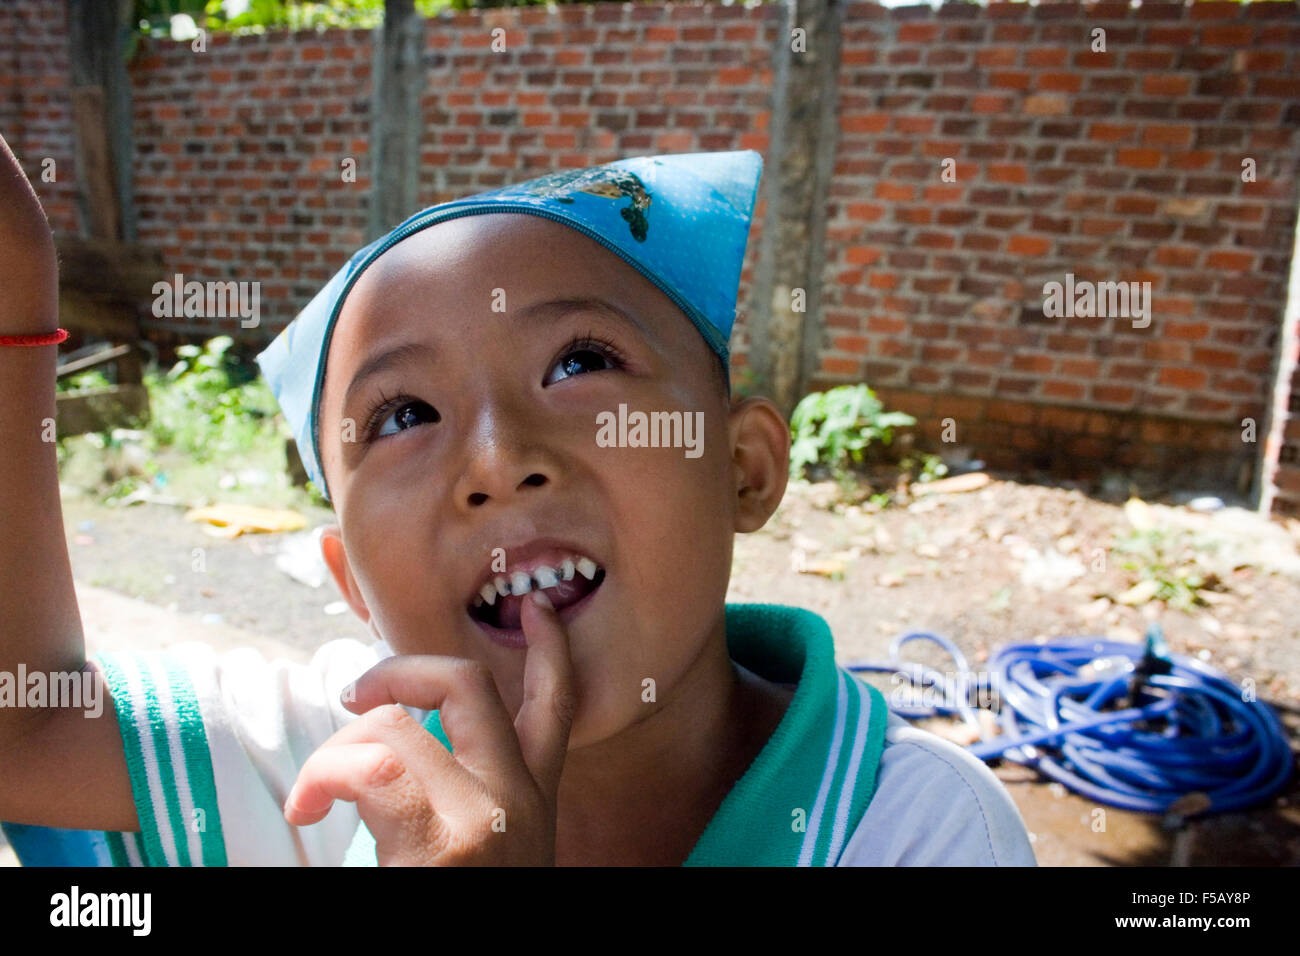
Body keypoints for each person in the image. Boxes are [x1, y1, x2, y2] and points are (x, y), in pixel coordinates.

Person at [0, 134, 1035, 865]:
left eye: (579, 360)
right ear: (350, 581)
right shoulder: (328, 756)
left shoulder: (914, 826)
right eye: (402, 415)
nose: (495, 460)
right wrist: (15, 281)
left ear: (744, 470)